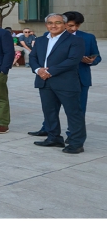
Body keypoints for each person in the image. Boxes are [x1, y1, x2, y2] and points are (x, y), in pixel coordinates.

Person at [29, 13, 86, 154]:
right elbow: (32, 57)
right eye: (50, 23)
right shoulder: (41, 40)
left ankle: (76, 143)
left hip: (66, 83)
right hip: (44, 82)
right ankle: (54, 137)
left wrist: (49, 71)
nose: (53, 26)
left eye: (58, 22)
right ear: (46, 25)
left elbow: (72, 60)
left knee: (73, 113)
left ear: (65, 24)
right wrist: (38, 70)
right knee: (49, 112)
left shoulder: (75, 40)